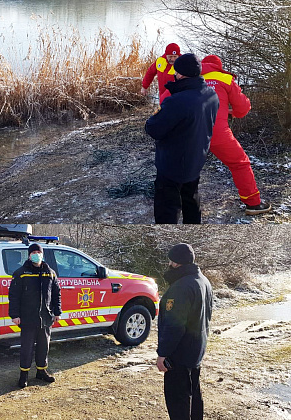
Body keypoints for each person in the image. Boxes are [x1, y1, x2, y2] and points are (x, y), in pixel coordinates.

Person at [145, 53, 219, 224]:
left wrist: (152, 119)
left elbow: (153, 129)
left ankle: (165, 238)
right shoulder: (211, 96)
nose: (173, 74)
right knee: (192, 201)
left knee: (167, 209)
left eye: (176, 71)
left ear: (181, 74)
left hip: (171, 165)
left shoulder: (176, 101)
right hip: (196, 160)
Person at [201, 55, 272, 215]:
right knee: (240, 163)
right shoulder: (224, 78)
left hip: (191, 132)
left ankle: (178, 203)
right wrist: (233, 113)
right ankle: (253, 204)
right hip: (218, 133)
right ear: (219, 66)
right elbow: (243, 107)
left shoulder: (191, 78)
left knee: (185, 167)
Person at [157, 243, 213, 420]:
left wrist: (163, 354)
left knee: (178, 401)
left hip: (179, 356)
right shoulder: (203, 281)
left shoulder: (181, 287)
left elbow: (174, 326)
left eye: (171, 261)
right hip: (195, 351)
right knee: (194, 396)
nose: (169, 265)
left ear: (176, 264)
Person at [8, 243, 61, 388]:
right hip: (27, 317)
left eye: (39, 252)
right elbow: (13, 296)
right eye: (33, 252)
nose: (36, 254)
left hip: (45, 318)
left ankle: (41, 371)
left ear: (42, 254)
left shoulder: (50, 272)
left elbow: (56, 294)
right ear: (29, 255)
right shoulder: (21, 273)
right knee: (27, 348)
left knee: (44, 346)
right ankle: (23, 375)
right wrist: (14, 315)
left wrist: (57, 312)